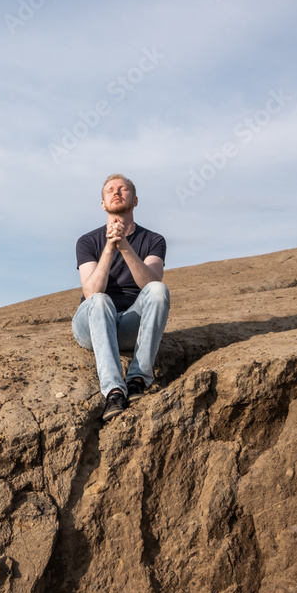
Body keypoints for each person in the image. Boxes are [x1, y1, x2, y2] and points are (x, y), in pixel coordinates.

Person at [72, 173, 170, 420]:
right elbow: (91, 291)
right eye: (110, 190)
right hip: (92, 323)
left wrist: (124, 245)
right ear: (103, 204)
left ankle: (138, 378)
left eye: (123, 189)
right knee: (100, 299)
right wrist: (109, 245)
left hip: (129, 324)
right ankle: (114, 391)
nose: (117, 192)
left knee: (160, 290)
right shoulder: (87, 241)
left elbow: (151, 283)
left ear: (135, 200)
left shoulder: (154, 240)